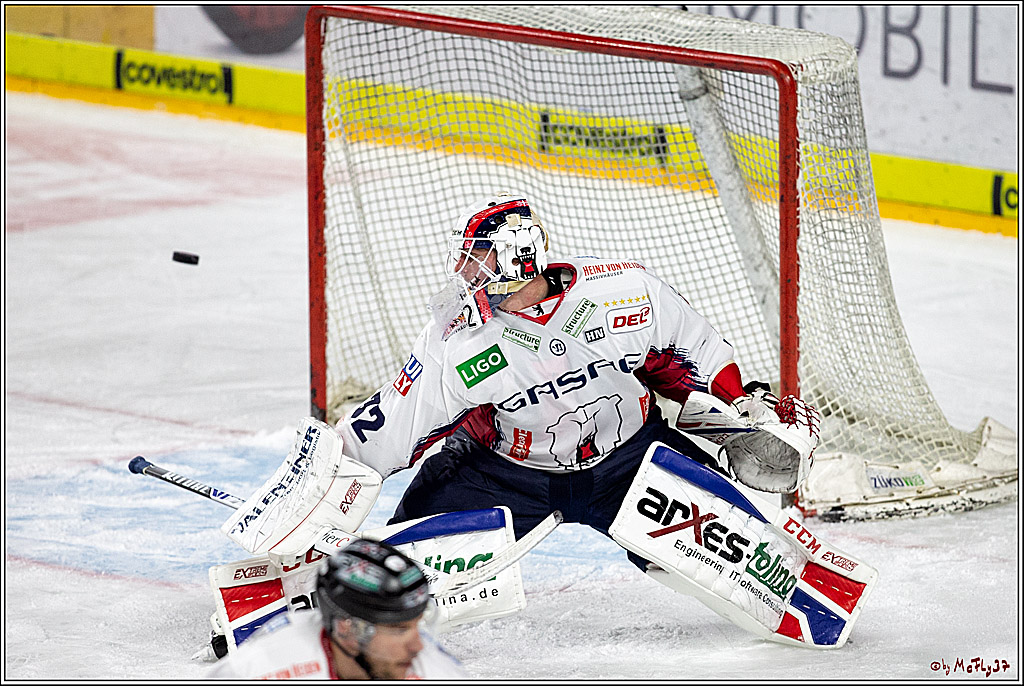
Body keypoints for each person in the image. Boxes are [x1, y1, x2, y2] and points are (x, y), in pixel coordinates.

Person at [335, 191, 819, 569]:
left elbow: (697, 354)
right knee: (399, 576)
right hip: (503, 475)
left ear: (518, 257)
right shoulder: (455, 339)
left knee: (763, 564)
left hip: (632, 462)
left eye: (476, 257)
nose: (463, 270)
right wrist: (328, 479)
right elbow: (393, 425)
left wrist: (742, 401)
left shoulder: (623, 291)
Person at [207, 539, 469, 680]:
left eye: (417, 624)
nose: (418, 647)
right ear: (348, 629)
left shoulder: (435, 671)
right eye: (399, 630)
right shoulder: (265, 667)